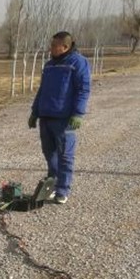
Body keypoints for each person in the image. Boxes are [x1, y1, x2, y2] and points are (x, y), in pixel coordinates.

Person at [28, 31, 91, 204]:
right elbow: (42, 90)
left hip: (64, 119)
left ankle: (63, 190)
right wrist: (35, 112)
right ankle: (52, 185)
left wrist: (78, 113)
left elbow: (83, 89)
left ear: (65, 47)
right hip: (46, 116)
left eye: (54, 46)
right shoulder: (49, 65)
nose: (51, 48)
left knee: (65, 155)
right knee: (49, 153)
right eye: (51, 45)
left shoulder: (77, 63)